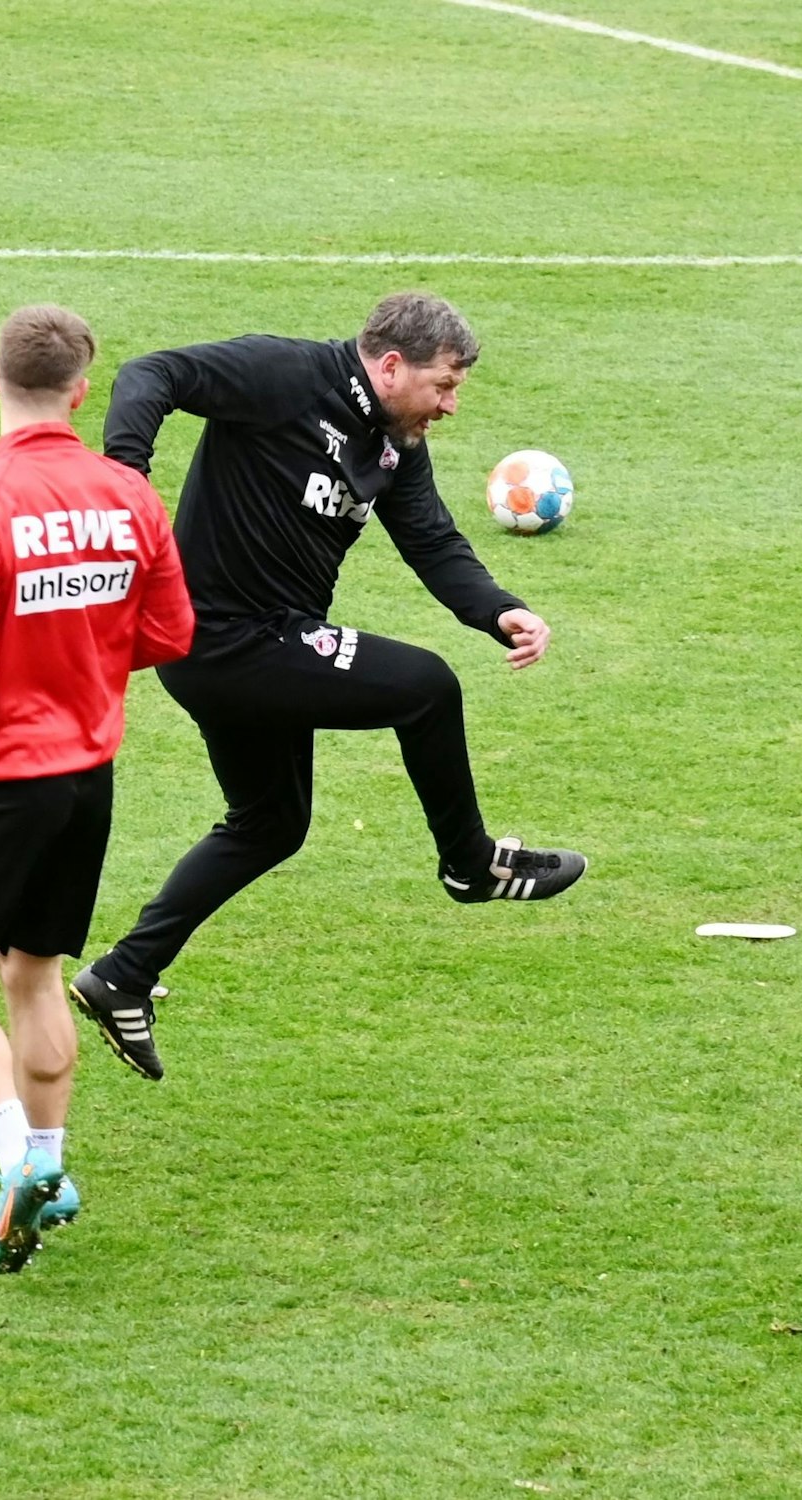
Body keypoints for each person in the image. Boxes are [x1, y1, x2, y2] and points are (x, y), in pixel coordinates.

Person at [68, 292, 586, 1083]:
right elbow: (154, 373)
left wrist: (502, 610)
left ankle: (123, 976)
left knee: (271, 822)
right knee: (424, 686)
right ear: (390, 366)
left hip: (254, 647)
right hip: (226, 636)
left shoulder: (395, 446)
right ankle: (471, 865)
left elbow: (434, 542)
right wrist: (125, 478)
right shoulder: (284, 374)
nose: (450, 405)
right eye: (444, 385)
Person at [0, 305, 194, 1272]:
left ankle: (22, 1161)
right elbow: (169, 635)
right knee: (31, 973)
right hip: (86, 780)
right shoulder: (129, 498)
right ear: (81, 390)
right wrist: (85, 654)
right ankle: (47, 1168)